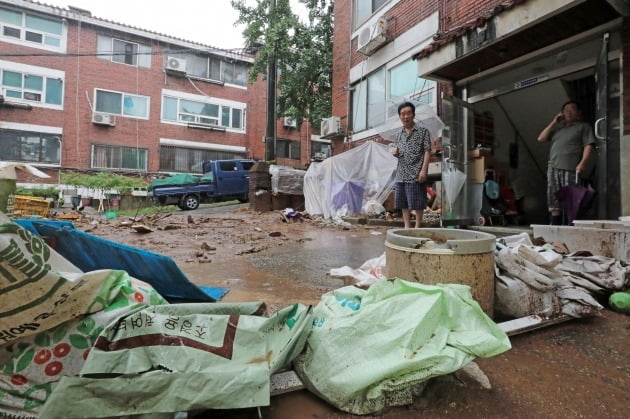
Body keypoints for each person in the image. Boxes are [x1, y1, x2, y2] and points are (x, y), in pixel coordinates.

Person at [537, 100, 595, 225]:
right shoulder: (559, 128)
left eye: (572, 109)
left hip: (571, 168)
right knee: (553, 198)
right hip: (553, 167)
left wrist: (583, 163)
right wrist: (554, 122)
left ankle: (570, 227)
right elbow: (541, 138)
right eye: (565, 110)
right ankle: (555, 226)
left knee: (572, 199)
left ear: (578, 112)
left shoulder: (583, 127)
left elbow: (588, 145)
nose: (568, 112)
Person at [391, 101, 431, 228]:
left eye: (408, 113)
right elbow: (396, 151)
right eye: (403, 114)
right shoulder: (398, 135)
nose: (406, 116)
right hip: (401, 172)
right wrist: (394, 152)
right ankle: (407, 227)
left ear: (413, 115)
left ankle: (417, 226)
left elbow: (427, 150)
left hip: (416, 172)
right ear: (400, 116)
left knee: (418, 202)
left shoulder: (423, 131)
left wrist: (424, 170)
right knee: (403, 202)